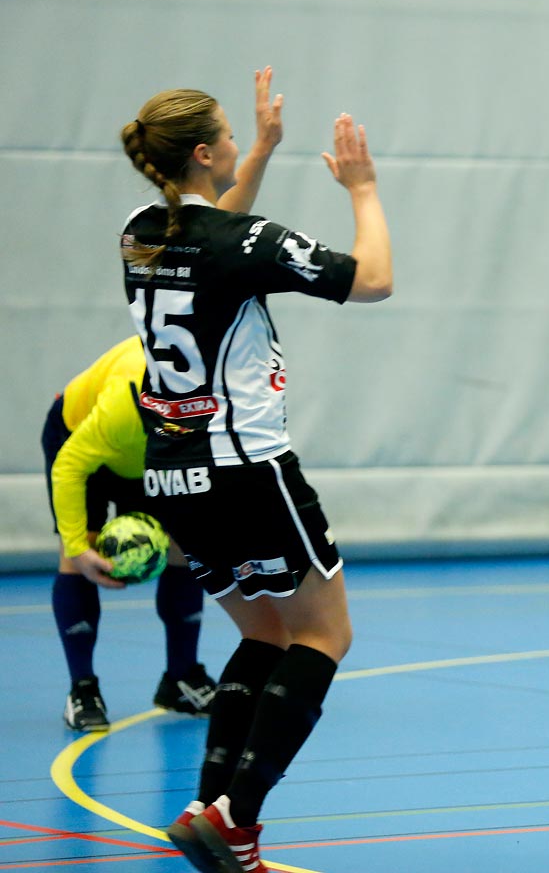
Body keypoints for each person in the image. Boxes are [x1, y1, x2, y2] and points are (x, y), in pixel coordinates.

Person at [117, 68, 392, 873]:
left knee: (264, 632)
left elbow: (209, 246)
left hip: (172, 475)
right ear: (204, 153)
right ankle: (240, 819)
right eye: (233, 134)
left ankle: (209, 805)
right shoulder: (251, 241)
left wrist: (264, 150)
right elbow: (372, 280)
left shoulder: (139, 230)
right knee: (325, 633)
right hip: (247, 469)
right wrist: (364, 188)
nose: (242, 140)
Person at [45, 334, 217, 732]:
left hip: (152, 453)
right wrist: (76, 548)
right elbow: (70, 466)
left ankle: (181, 678)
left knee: (183, 546)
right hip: (80, 438)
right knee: (78, 556)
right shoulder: (122, 405)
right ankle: (82, 688)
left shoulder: (220, 386)